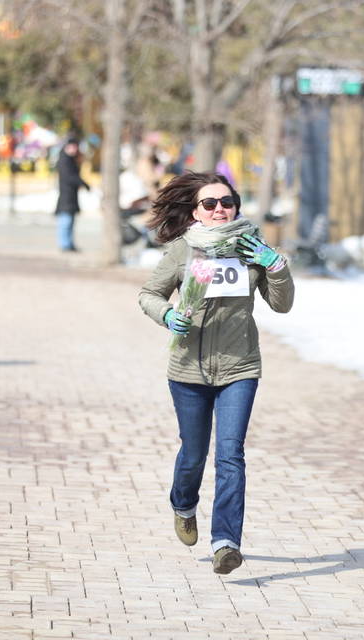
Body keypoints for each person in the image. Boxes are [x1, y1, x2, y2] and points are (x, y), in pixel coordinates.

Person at [138, 171, 294, 575]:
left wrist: (275, 266)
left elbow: (282, 305)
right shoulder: (183, 250)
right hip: (188, 370)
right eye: (210, 204)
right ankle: (183, 503)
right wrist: (169, 314)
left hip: (239, 367)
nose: (220, 209)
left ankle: (225, 542)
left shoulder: (252, 249)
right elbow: (149, 294)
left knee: (231, 455)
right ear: (196, 212)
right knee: (193, 455)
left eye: (227, 202)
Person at [54, 137, 90, 252]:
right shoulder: (64, 160)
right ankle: (65, 243)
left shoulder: (70, 159)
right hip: (66, 196)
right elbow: (70, 177)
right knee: (66, 221)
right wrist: (82, 183)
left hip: (71, 196)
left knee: (70, 221)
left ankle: (68, 243)